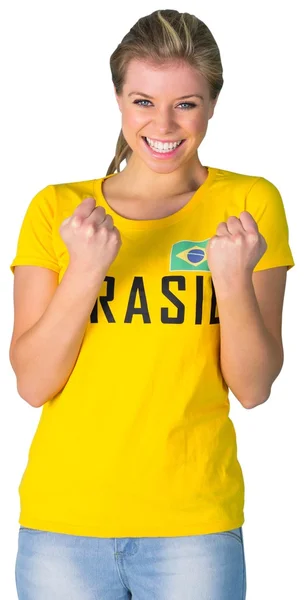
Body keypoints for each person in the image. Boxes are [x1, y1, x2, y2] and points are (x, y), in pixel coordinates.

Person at [9, 9, 295, 600]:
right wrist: (85, 272)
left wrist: (234, 281)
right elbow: (33, 383)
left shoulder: (249, 204)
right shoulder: (57, 209)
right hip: (64, 525)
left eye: (186, 103)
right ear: (118, 100)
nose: (162, 123)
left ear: (212, 105)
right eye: (143, 101)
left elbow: (253, 387)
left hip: (194, 526)